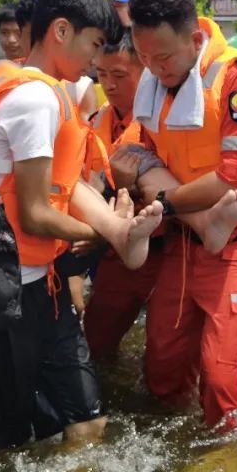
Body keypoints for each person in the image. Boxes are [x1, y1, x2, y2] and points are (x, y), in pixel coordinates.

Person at [0, 0, 163, 448]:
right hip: (7, 292)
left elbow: (57, 189)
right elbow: (33, 215)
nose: (96, 59)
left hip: (40, 284)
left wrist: (109, 227)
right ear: (61, 32)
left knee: (86, 420)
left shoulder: (33, 88)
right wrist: (102, 235)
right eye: (93, 44)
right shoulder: (35, 98)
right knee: (4, 440)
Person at [126, 0, 237, 431]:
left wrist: (164, 201)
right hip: (184, 240)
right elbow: (147, 149)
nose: (154, 69)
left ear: (195, 40)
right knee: (162, 365)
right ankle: (178, 437)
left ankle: (228, 464)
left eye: (163, 58)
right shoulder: (155, 83)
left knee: (221, 375)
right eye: (143, 58)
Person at [82, 29, 160, 358]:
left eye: (119, 75)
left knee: (165, 354)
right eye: (101, 74)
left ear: (146, 71)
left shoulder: (164, 121)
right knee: (95, 342)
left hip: (165, 248)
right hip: (113, 247)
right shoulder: (97, 118)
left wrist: (130, 185)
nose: (109, 84)